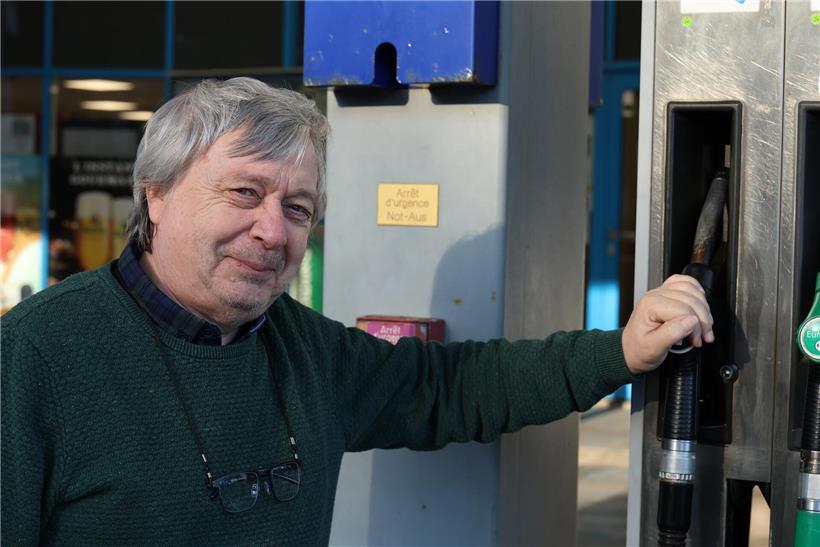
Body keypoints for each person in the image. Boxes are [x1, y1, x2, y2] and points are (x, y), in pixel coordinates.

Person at [1, 78, 713, 546]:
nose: (273, 231)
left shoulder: (304, 350)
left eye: (298, 208)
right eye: (245, 194)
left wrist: (621, 351)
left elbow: (454, 386)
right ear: (155, 194)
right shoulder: (35, 356)